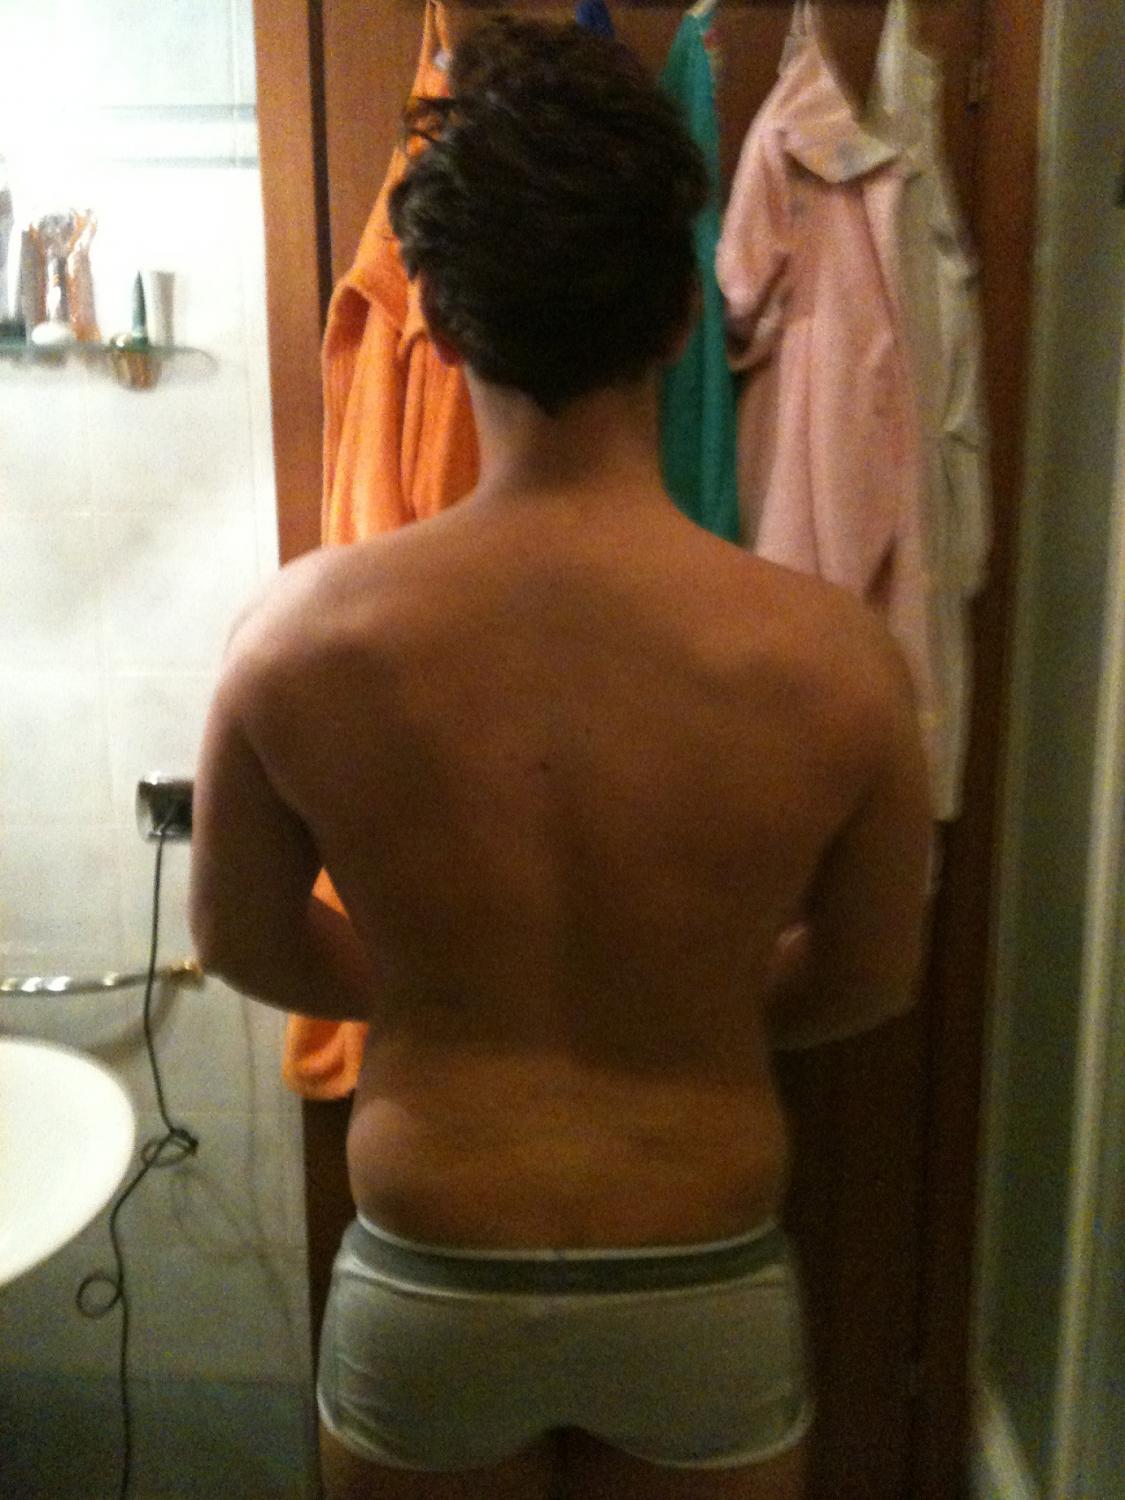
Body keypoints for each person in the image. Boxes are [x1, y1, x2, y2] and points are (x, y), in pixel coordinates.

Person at [189, 17, 932, 1500]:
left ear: (445, 327)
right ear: (679, 319)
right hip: (699, 1260)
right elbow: (866, 977)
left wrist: (443, 994)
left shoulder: (296, 641)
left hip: (431, 1261)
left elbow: (244, 938)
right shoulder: (837, 663)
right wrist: (676, 1000)